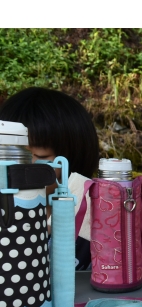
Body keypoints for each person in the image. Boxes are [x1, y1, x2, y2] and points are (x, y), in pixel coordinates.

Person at [0, 87, 100, 270]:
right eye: (9, 156)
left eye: (41, 155)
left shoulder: (95, 218)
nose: (22, 168)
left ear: (74, 159)